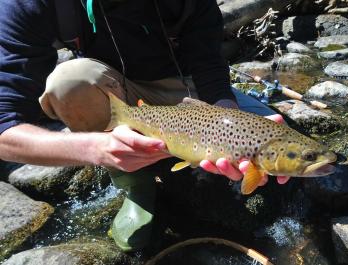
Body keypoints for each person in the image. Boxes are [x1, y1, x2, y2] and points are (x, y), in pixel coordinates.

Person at [0, 0, 289, 251]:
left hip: (190, 92)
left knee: (284, 144)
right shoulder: (33, 4)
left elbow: (209, 62)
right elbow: (4, 130)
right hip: (115, 89)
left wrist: (229, 116)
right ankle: (135, 186)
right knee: (68, 84)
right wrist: (96, 148)